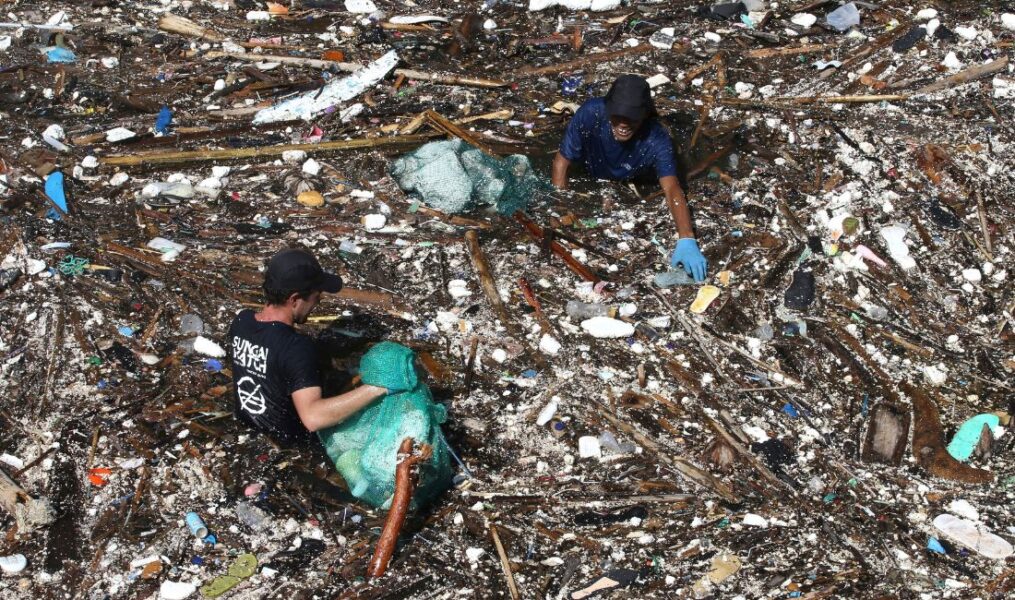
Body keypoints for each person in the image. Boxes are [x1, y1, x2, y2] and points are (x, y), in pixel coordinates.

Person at [551, 74, 708, 281]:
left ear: (643, 116)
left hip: (631, 175)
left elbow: (671, 188)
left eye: (632, 118)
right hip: (593, 166)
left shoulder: (656, 139)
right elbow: (561, 163)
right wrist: (561, 207)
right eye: (618, 116)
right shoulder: (590, 113)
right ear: (608, 111)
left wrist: (687, 238)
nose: (623, 124)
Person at [227, 248, 387, 446]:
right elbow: (313, 418)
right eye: (316, 296)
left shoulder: (241, 322)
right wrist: (377, 388)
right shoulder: (296, 347)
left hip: (248, 428)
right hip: (289, 445)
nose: (317, 302)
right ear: (294, 299)